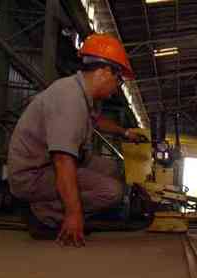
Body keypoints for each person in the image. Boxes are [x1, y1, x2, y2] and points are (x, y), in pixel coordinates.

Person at [8, 33, 143, 247]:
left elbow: (96, 121)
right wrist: (74, 213)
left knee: (111, 168)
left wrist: (125, 133)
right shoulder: (69, 99)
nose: (117, 87)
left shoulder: (82, 94)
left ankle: (58, 208)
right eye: (118, 80)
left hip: (50, 164)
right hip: (32, 175)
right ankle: (44, 214)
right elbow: (63, 161)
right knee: (111, 191)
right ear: (104, 72)